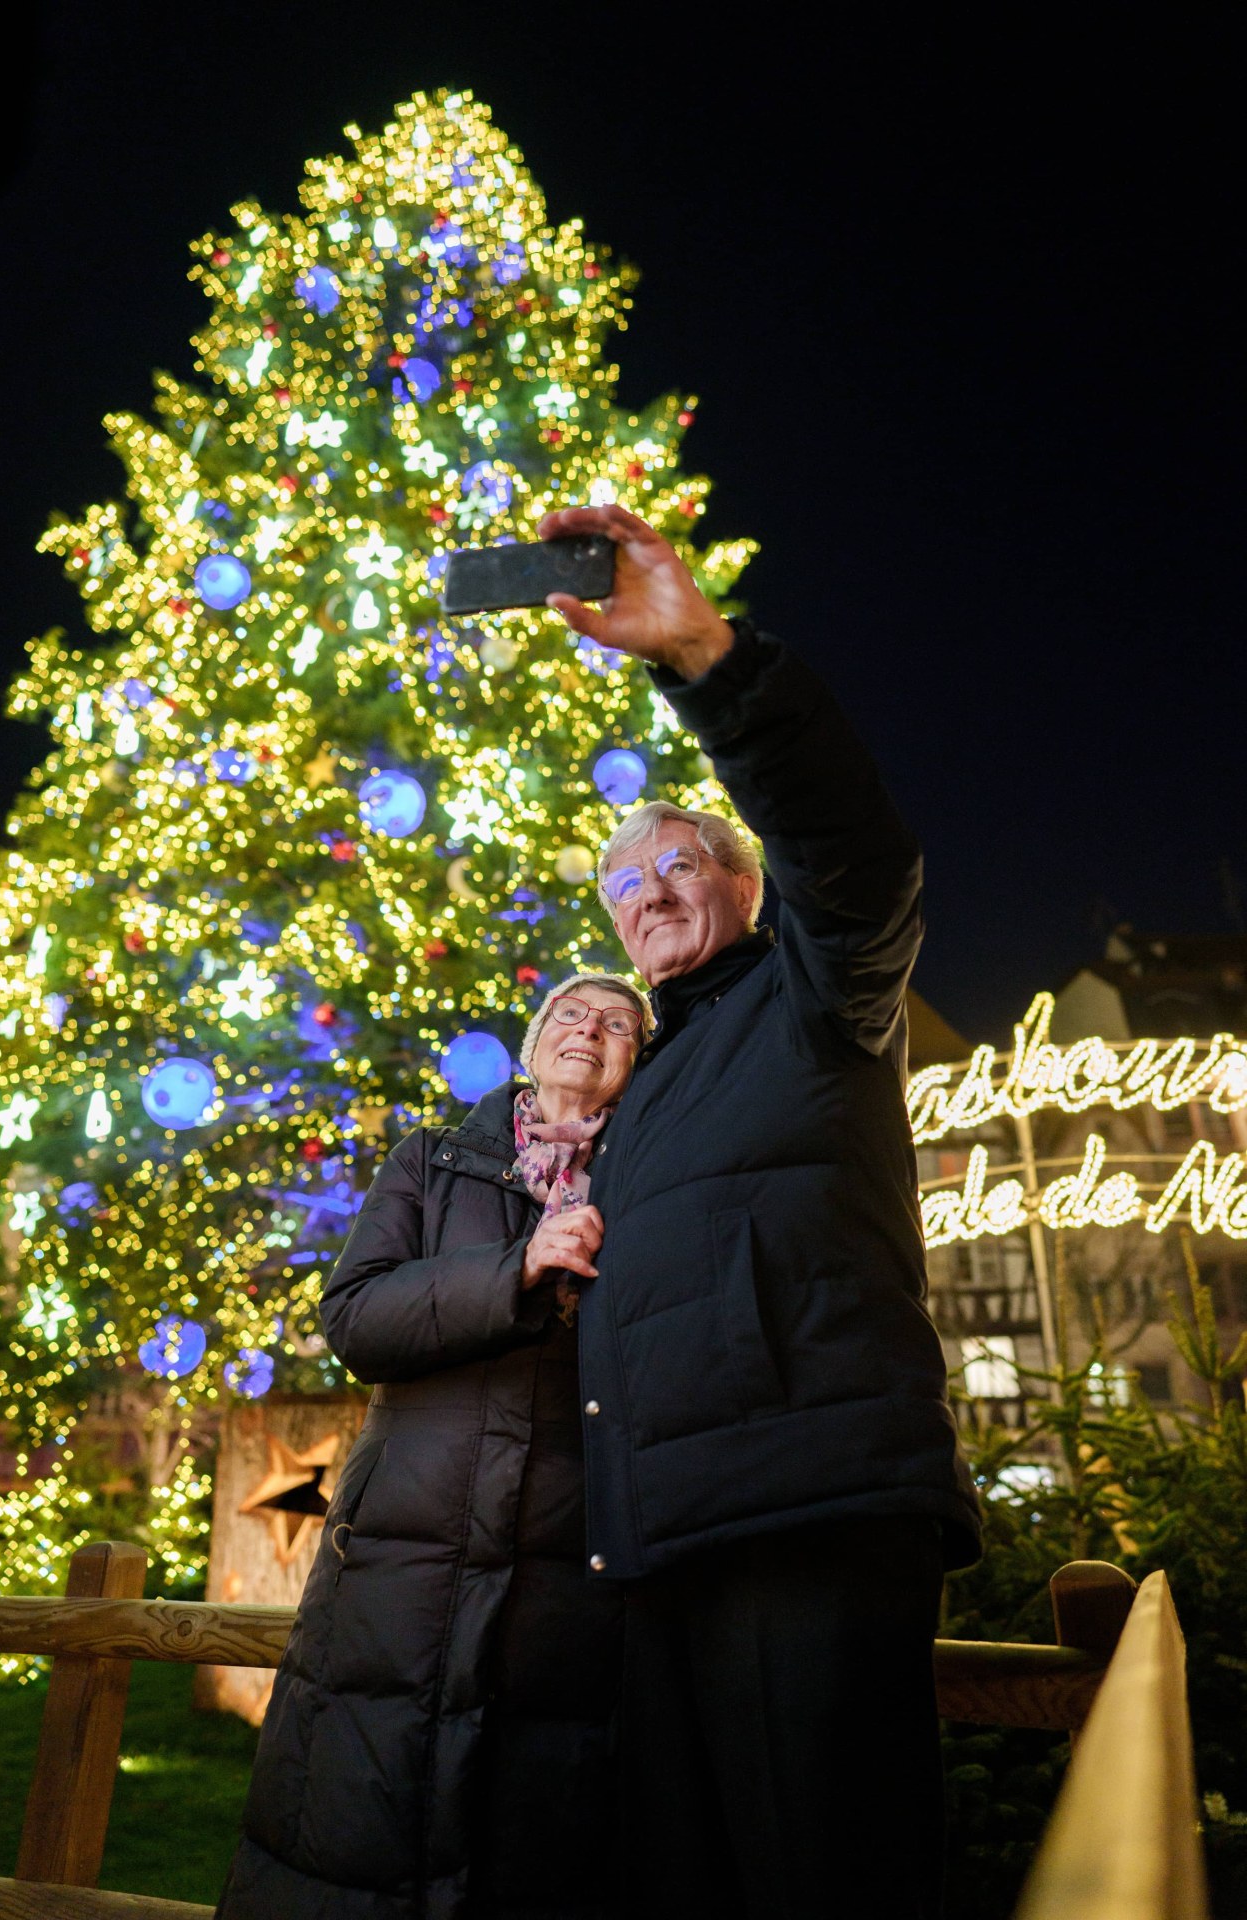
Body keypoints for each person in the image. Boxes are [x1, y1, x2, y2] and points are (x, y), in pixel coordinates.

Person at [538, 503, 983, 1920]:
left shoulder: (811, 997)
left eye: (679, 862)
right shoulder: (650, 1080)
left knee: (825, 1878)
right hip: (663, 1538)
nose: (648, 889)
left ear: (744, 887)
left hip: (809, 1520)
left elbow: (853, 856)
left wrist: (708, 661)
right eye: (622, 882)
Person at [217, 972, 653, 1920]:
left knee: (530, 1842)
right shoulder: (434, 1158)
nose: (591, 1029)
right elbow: (356, 1317)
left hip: (569, 1567)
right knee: (353, 1819)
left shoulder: (654, 1178)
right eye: (570, 1014)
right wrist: (521, 1264)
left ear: (637, 1062)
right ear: (533, 1046)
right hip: (401, 1557)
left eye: (620, 1022)